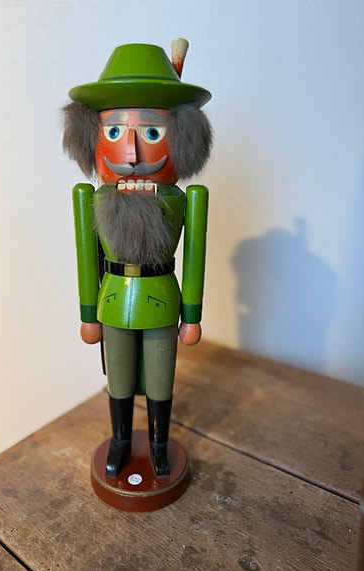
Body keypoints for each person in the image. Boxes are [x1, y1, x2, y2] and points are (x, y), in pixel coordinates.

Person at [63, 40, 213, 478]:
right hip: (112, 302)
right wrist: (88, 314)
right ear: (90, 137)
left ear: (184, 138)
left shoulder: (187, 199)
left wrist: (192, 316)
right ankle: (121, 439)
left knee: (162, 378)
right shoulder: (91, 198)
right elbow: (86, 260)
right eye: (114, 133)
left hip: (163, 302)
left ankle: (160, 443)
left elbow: (194, 259)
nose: (131, 154)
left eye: (151, 133)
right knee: (120, 379)